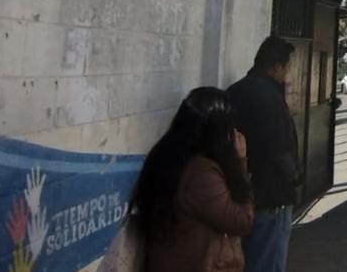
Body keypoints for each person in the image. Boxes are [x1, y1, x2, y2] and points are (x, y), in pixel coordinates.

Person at [129, 87, 254, 272]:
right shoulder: (201, 174)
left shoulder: (166, 155)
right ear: (218, 131)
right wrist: (240, 163)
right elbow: (242, 221)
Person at [228, 35, 301, 272]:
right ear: (277, 66)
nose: (287, 73)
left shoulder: (235, 91)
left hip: (243, 193)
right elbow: (279, 148)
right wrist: (294, 177)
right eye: (287, 66)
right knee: (268, 263)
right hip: (272, 197)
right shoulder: (268, 97)